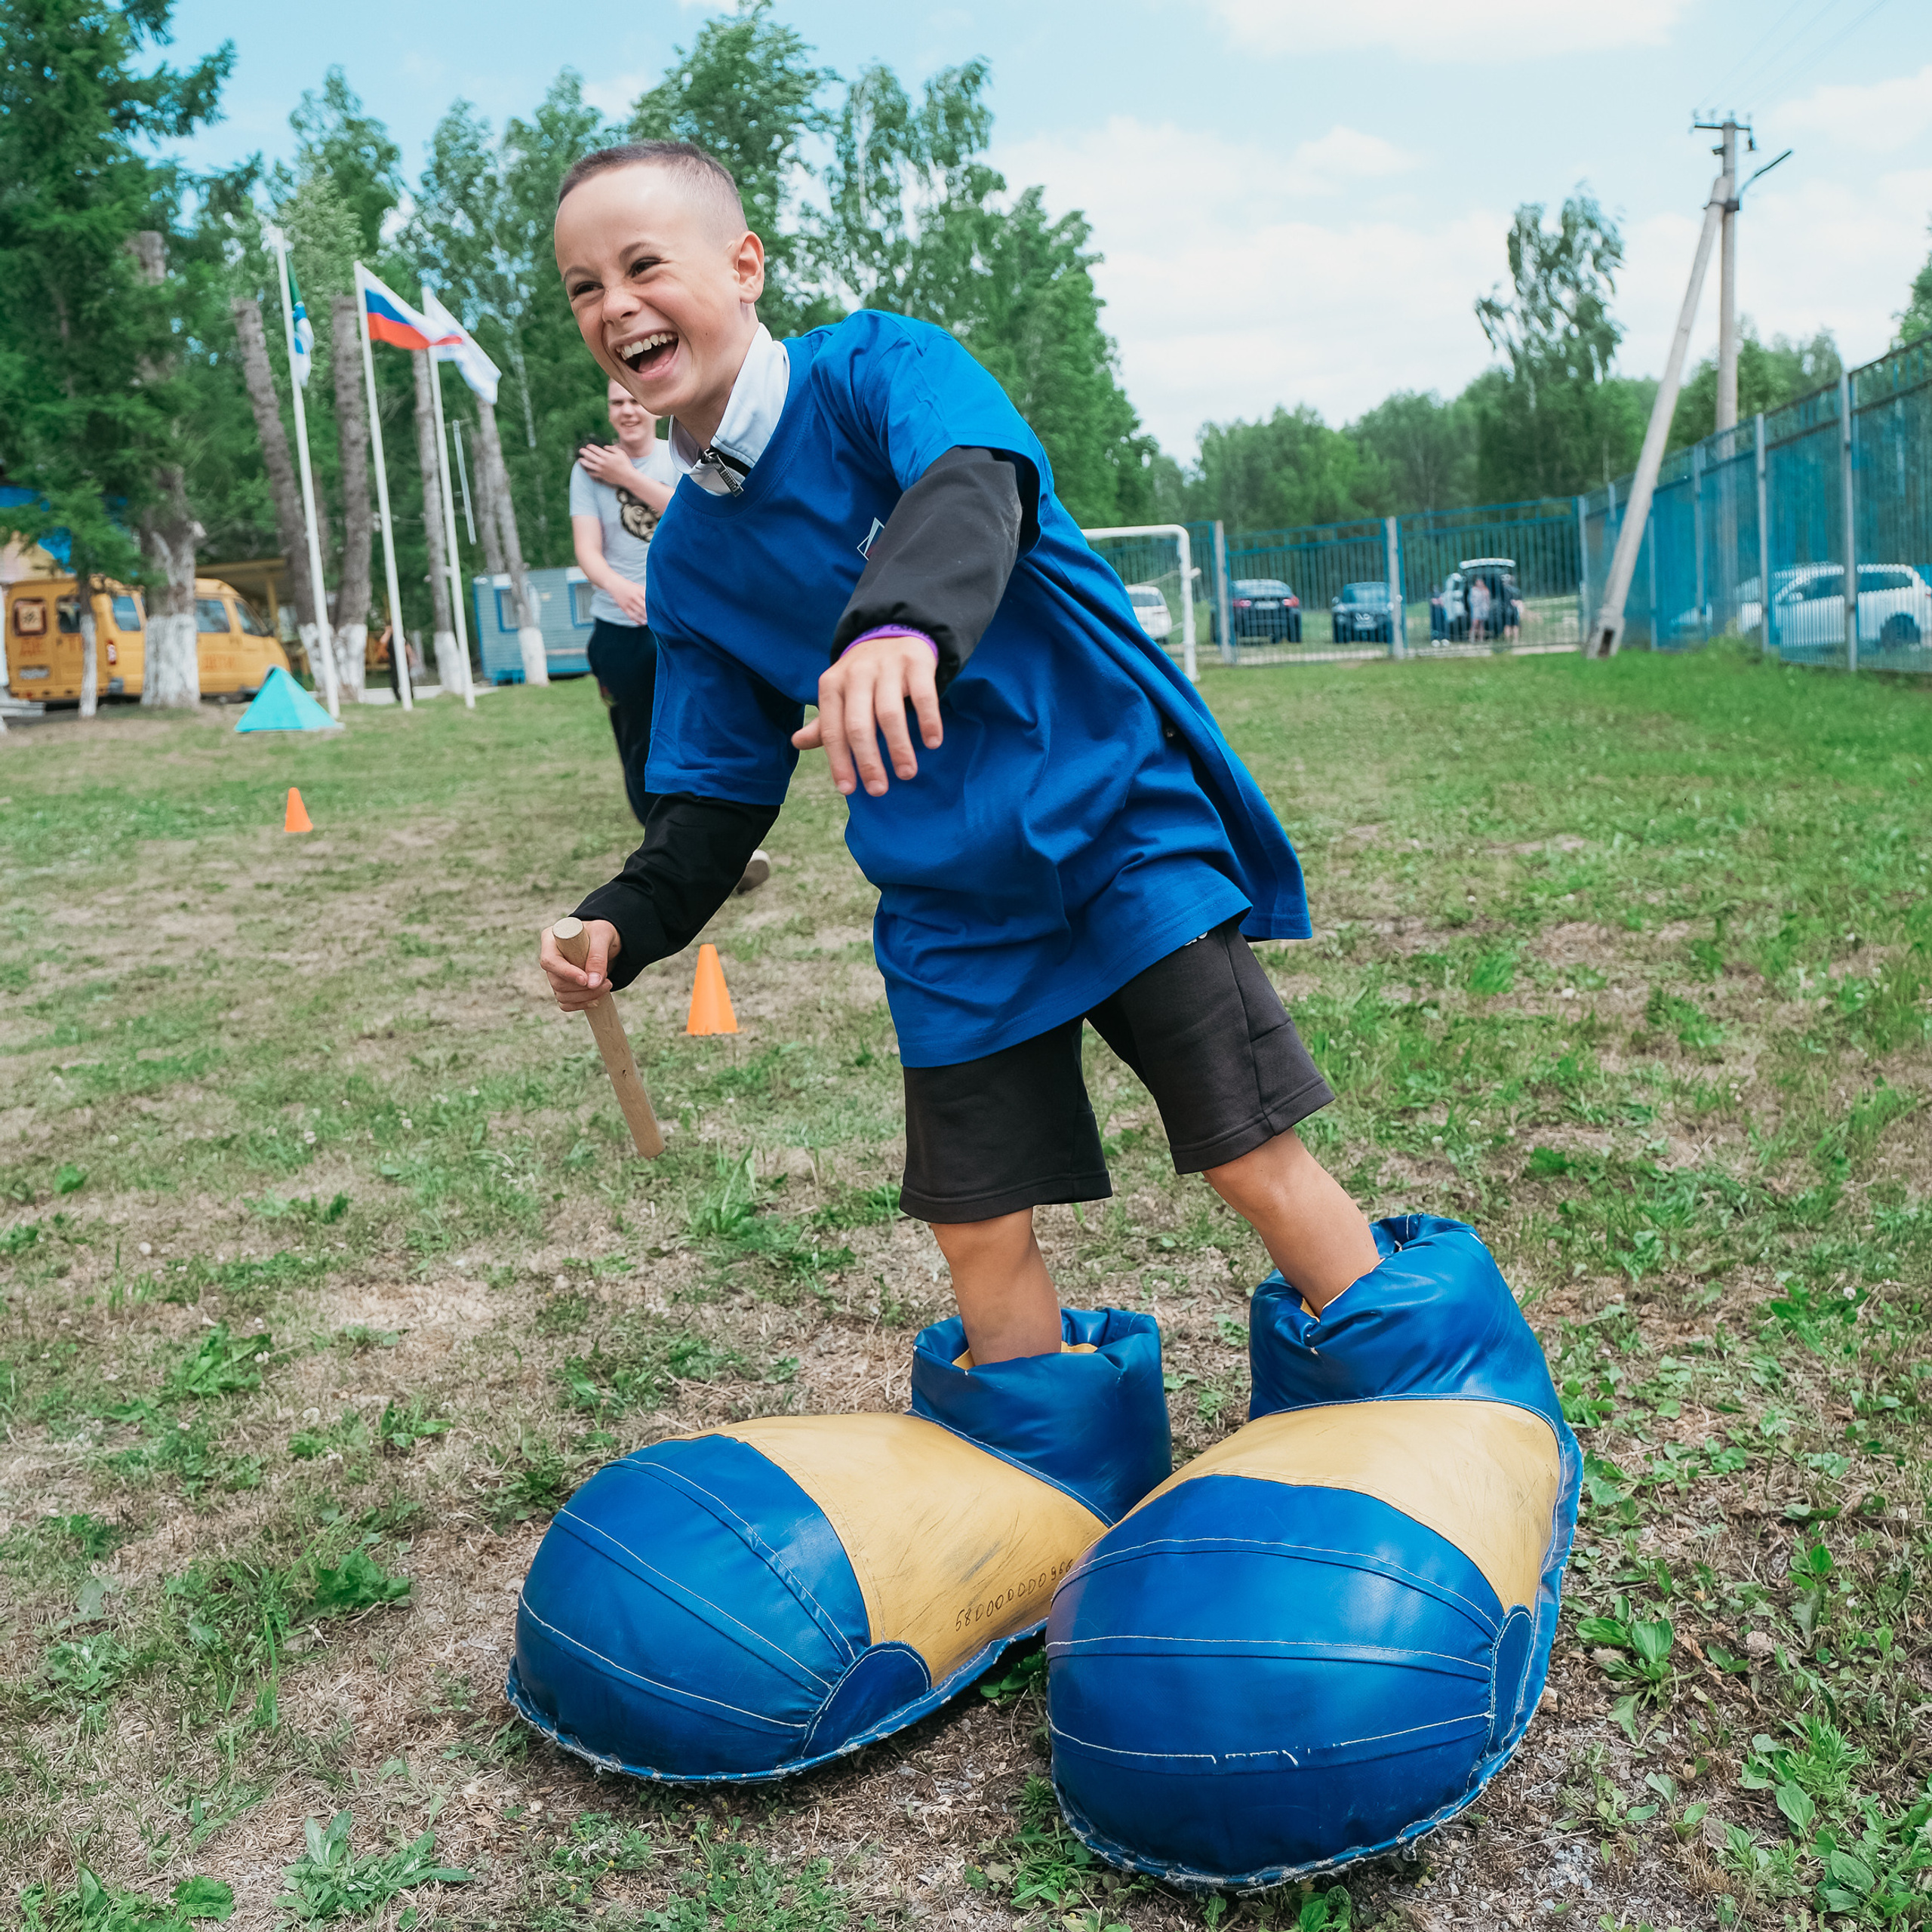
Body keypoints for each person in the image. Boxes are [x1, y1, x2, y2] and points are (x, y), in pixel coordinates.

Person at [540, 140, 1381, 1368]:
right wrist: (622, 920)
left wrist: (895, 628)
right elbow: (712, 803)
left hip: (1114, 827)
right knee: (978, 1230)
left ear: (743, 265)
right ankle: (1045, 1474)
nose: (614, 304)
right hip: (951, 908)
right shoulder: (689, 567)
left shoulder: (881, 370)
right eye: (582, 286)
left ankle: (1417, 1394)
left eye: (642, 265)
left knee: (1251, 1157)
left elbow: (975, 484)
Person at [571, 377, 770, 890]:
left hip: (684, 620)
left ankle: (726, 848)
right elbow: (589, 551)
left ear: (653, 408)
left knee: (704, 731)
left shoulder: (682, 454)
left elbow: (694, 514)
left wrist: (627, 476)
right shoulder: (589, 470)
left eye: (634, 400)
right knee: (640, 742)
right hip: (621, 628)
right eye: (615, 402)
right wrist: (619, 588)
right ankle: (674, 855)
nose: (626, 411)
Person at [1468, 573, 1492, 643]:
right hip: (1476, 608)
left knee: (1482, 624)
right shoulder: (1473, 590)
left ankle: (1481, 639)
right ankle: (1472, 638)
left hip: (1484, 608)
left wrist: (1488, 607)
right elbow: (1470, 599)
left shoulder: (1486, 590)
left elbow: (1488, 600)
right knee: (1475, 623)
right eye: (1478, 582)